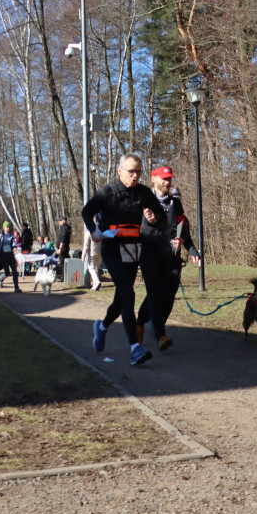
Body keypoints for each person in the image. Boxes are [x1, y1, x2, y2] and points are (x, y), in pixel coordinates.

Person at [82, 153, 169, 366]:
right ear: (120, 171)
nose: (135, 176)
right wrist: (94, 231)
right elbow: (86, 212)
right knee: (128, 293)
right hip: (112, 248)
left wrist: (154, 217)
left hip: (133, 249)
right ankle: (134, 348)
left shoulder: (143, 192)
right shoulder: (107, 192)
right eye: (131, 172)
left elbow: (161, 216)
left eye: (138, 172)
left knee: (121, 298)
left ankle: (101, 327)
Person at [135, 166, 201, 348]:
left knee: (168, 295)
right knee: (155, 293)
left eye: (169, 178)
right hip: (150, 254)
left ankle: (141, 323)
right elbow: (138, 229)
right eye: (164, 178)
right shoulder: (143, 201)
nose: (167, 182)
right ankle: (160, 335)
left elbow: (180, 229)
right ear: (153, 179)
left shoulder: (175, 203)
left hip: (171, 257)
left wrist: (191, 249)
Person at [0, 221, 22, 292]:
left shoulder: (11, 236)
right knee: (7, 272)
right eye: (7, 227)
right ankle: (0, 279)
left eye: (9, 227)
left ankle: (16, 287)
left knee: (14, 271)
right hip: (3, 256)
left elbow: (14, 243)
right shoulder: (0, 236)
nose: (8, 228)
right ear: (4, 228)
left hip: (10, 255)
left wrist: (14, 247)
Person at [81, 225, 103, 291]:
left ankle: (97, 281)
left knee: (91, 269)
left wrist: (83, 256)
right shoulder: (100, 232)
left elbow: (86, 246)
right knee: (96, 269)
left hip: (92, 253)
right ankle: (95, 285)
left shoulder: (88, 233)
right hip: (100, 253)